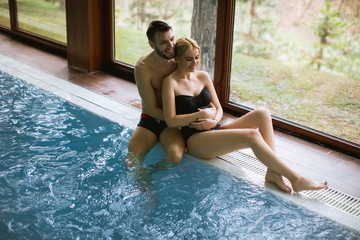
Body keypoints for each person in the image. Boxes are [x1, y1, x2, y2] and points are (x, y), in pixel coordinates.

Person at [162, 37, 328, 192]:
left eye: (197, 57)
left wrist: (212, 121)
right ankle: (296, 179)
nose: (194, 63)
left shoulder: (202, 76)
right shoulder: (170, 82)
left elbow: (219, 109)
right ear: (177, 59)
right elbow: (171, 121)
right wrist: (199, 117)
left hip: (215, 129)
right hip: (195, 140)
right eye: (188, 59)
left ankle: (273, 172)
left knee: (262, 114)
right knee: (252, 136)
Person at [127, 20, 216, 164]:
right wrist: (183, 118)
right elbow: (151, 108)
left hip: (174, 123)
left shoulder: (178, 60)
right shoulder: (143, 68)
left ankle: (156, 174)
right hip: (152, 119)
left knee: (174, 156)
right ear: (151, 44)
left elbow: (195, 82)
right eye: (163, 42)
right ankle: (144, 185)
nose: (170, 46)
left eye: (172, 39)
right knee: (132, 159)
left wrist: (193, 118)